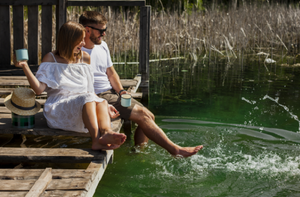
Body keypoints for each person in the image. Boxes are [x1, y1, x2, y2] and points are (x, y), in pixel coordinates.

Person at [79, 11, 203, 157]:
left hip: (112, 93)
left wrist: (121, 91)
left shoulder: (103, 46)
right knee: (143, 115)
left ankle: (138, 154)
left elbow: (111, 73)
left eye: (105, 30)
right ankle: (175, 150)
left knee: (149, 116)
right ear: (87, 29)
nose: (104, 34)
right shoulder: (77, 51)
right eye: (101, 31)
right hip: (98, 97)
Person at [13, 21, 126, 150]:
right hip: (59, 107)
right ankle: (96, 140)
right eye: (80, 40)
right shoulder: (51, 58)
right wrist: (25, 66)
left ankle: (106, 132)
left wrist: (103, 104)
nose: (83, 43)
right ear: (69, 40)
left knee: (101, 101)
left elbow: (89, 89)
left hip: (84, 103)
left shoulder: (85, 57)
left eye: (83, 39)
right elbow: (39, 89)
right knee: (87, 98)